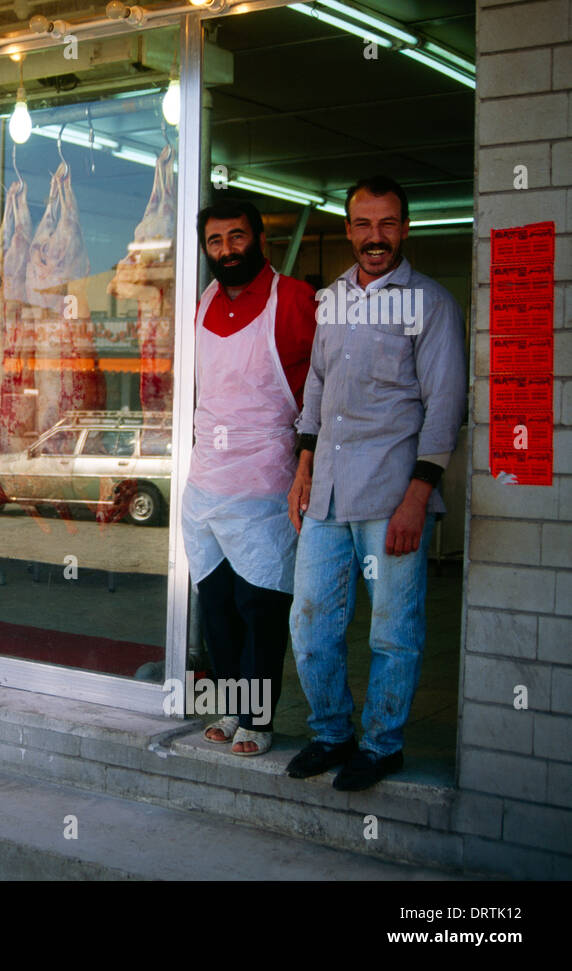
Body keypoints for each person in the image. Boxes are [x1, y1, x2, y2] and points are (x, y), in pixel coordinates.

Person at [285, 175, 466, 790]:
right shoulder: (331, 299)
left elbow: (444, 407)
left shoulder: (432, 304)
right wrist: (303, 468)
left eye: (387, 224)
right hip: (327, 493)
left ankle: (383, 743)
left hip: (392, 497)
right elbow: (316, 387)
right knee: (310, 629)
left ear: (405, 228)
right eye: (363, 225)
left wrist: (418, 497)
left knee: (394, 632)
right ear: (348, 230)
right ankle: (332, 733)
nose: (375, 237)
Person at [182, 199, 317, 757]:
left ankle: (258, 719)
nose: (227, 251)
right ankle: (235, 706)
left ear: (259, 238)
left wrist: (308, 465)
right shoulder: (204, 303)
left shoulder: (296, 301)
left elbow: (322, 390)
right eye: (216, 241)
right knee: (216, 608)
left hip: (265, 483)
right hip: (205, 483)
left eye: (237, 238)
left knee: (259, 608)